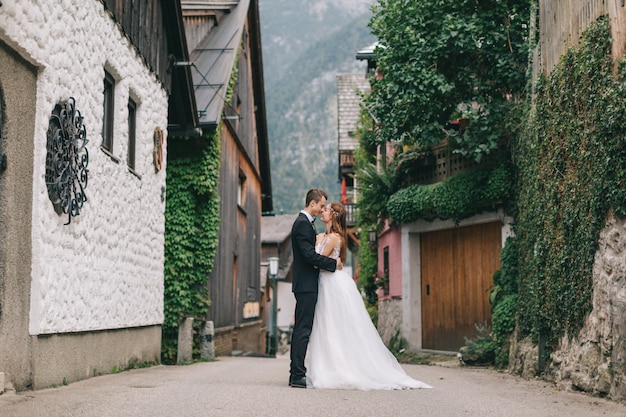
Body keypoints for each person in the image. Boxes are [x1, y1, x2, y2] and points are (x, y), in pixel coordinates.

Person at [306, 202, 433, 390]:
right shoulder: (322, 236)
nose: (322, 211)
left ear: (333, 216)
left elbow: (317, 262)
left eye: (326, 210)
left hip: (331, 284)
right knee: (327, 325)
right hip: (325, 283)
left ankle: (336, 367)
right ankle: (328, 365)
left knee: (333, 325)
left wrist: (329, 262)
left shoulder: (333, 238)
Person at [289, 188, 343, 388]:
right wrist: (333, 263)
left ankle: (295, 373)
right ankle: (297, 376)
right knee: (303, 329)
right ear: (312, 203)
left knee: (302, 328)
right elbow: (309, 256)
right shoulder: (302, 224)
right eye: (321, 205)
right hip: (306, 284)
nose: (322, 210)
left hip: (306, 283)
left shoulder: (305, 224)